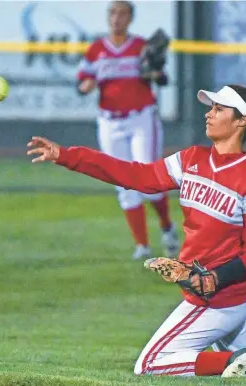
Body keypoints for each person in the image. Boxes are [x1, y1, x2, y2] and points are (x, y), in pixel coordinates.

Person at [27, 84, 246, 376]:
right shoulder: (191, 160)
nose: (208, 114)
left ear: (241, 120)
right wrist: (68, 156)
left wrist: (215, 278)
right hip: (217, 290)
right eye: (211, 108)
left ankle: (237, 361)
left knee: (149, 365)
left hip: (223, 296)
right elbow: (138, 176)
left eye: (218, 109)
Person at [76, 0, 178, 260]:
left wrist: (154, 73)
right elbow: (82, 82)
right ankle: (142, 245)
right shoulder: (97, 49)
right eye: (112, 13)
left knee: (146, 178)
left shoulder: (141, 46)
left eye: (122, 13)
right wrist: (85, 86)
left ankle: (166, 226)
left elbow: (162, 78)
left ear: (130, 18)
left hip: (141, 118)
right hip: (110, 121)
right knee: (123, 182)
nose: (116, 18)